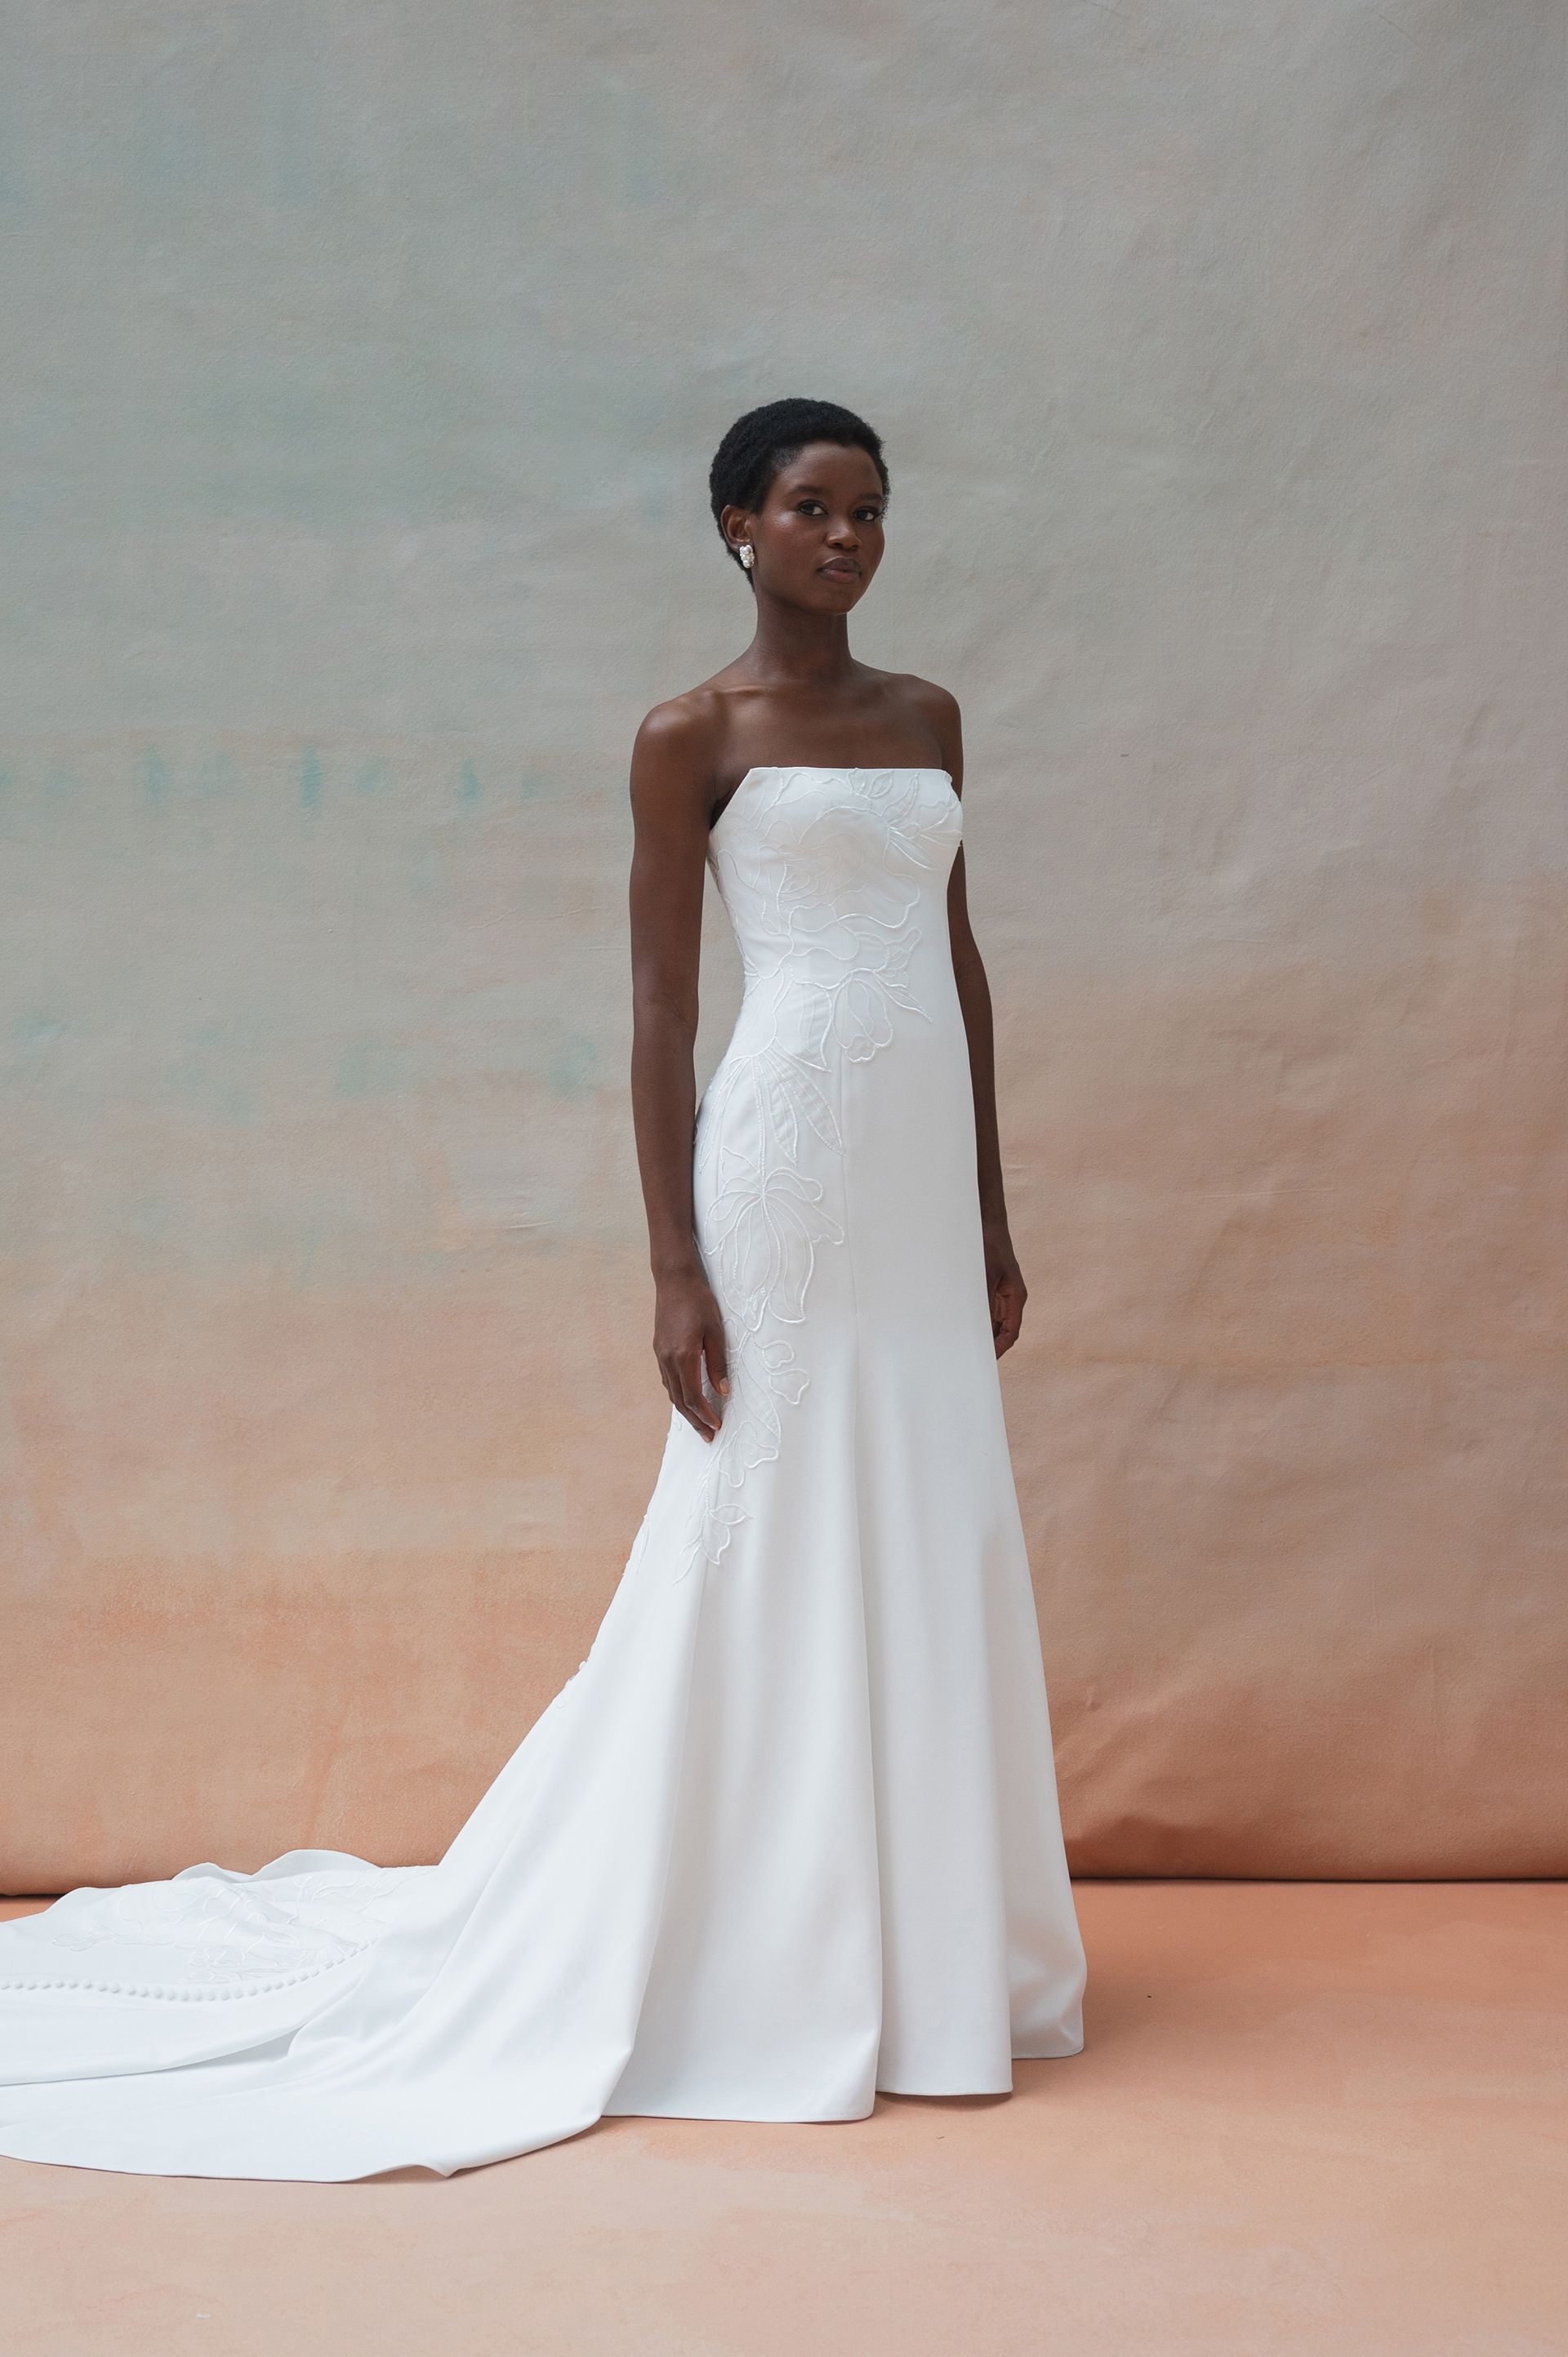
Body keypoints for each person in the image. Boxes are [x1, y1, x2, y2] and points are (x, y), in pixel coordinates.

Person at [0, 397, 1086, 2182]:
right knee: (776, 1509)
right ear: (737, 524)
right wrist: (673, 1261)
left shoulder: (927, 720)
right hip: (790, 1162)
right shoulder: (693, 733)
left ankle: (928, 1948)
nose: (847, 538)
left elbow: (956, 968)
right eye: (812, 508)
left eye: (871, 513)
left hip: (911, 1182)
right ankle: (769, 1942)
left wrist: (989, 1210)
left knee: (931, 1508)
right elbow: (660, 1010)